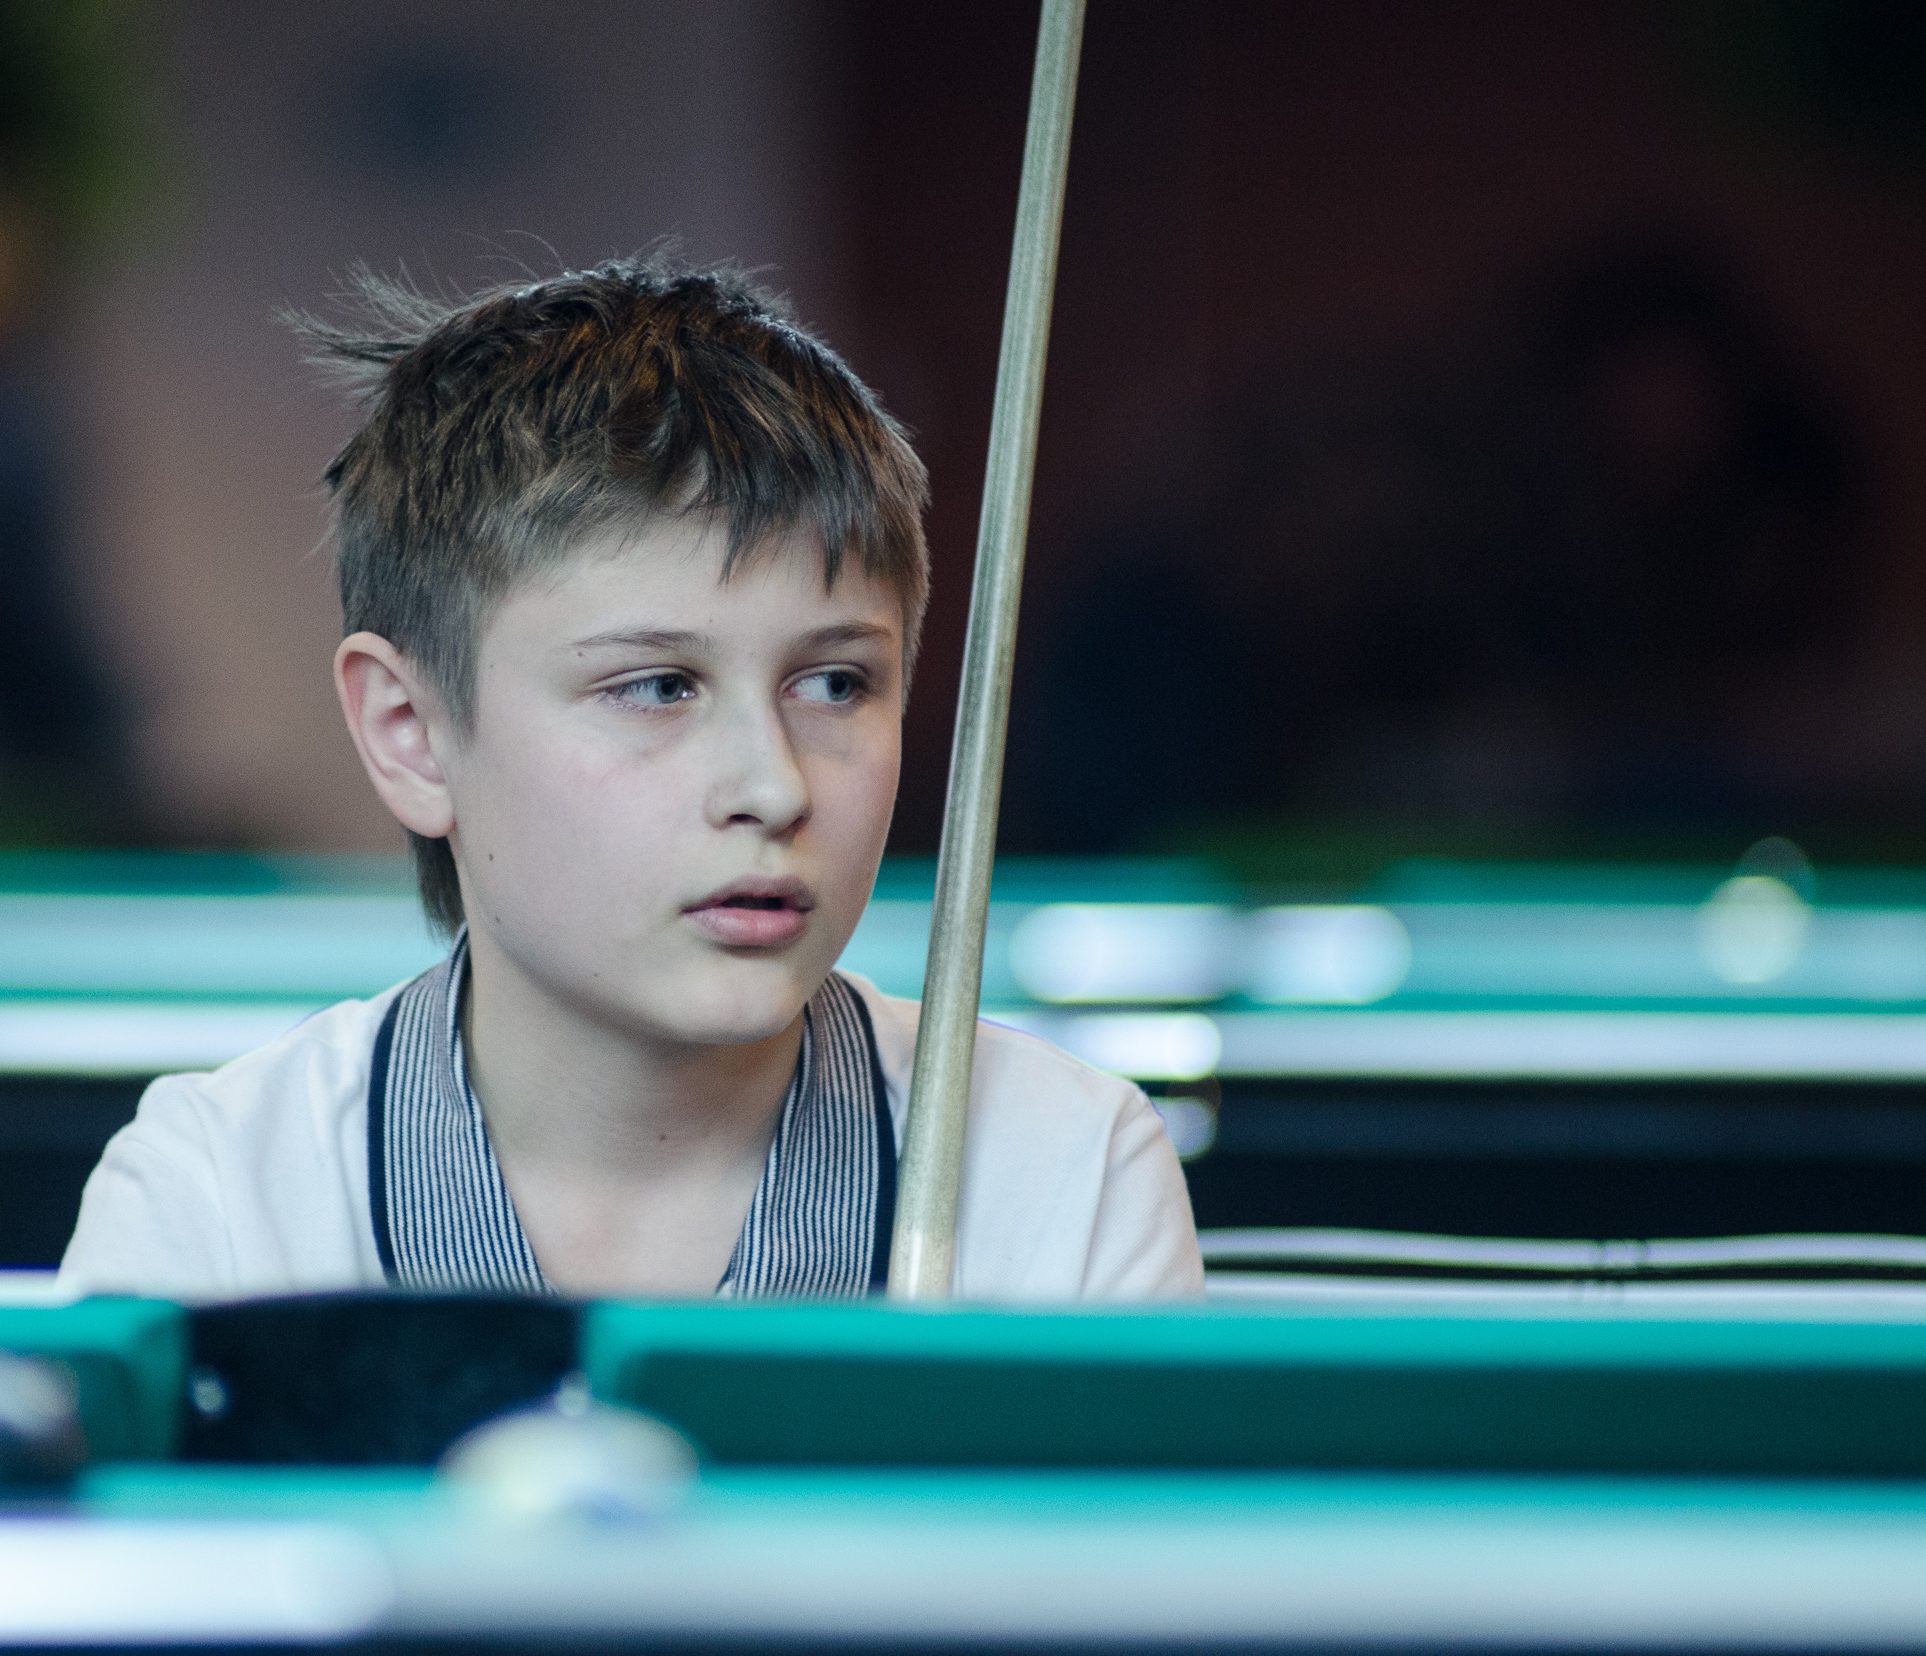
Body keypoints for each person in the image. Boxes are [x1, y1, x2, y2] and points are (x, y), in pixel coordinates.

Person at [60, 258, 1202, 1302]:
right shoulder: (219, 1202)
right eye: (656, 687)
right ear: (410, 733)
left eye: (835, 683)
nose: (774, 788)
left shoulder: (1071, 1174)